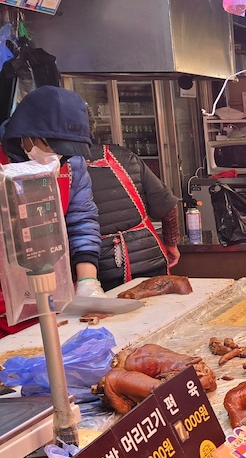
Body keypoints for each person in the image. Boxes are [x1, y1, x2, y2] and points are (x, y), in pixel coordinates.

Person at [0, 86, 103, 308]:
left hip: (55, 291)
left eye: (66, 151)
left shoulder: (73, 164)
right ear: (26, 134)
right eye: (53, 147)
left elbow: (81, 219)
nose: (58, 157)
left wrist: (87, 281)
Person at [84, 138, 181, 291]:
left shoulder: (61, 166)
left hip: (97, 272)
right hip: (149, 261)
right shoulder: (124, 156)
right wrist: (171, 243)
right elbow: (168, 206)